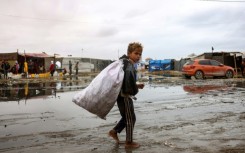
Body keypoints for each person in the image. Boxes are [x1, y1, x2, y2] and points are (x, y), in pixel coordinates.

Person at [108, 42, 144, 149]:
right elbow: (128, 86)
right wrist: (134, 89)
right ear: (129, 53)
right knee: (130, 119)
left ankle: (114, 131)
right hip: (125, 96)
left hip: (122, 95)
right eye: (136, 53)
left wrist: (136, 85)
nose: (138, 56)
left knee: (127, 117)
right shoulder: (128, 66)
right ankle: (129, 142)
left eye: (140, 54)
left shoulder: (126, 64)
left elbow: (125, 82)